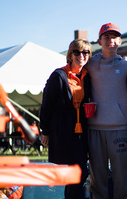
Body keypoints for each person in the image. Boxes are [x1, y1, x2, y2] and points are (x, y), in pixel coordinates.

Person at [84, 23, 127, 199]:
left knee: (121, 177)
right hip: (95, 128)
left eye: (114, 37)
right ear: (99, 41)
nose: (110, 41)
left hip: (119, 128)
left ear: (120, 41)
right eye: (106, 37)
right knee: (98, 178)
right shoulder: (90, 63)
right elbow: (72, 67)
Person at [40, 39, 92, 199]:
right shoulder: (59, 75)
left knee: (80, 173)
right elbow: (46, 105)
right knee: (69, 174)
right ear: (70, 55)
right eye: (77, 52)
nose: (81, 56)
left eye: (85, 52)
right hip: (63, 131)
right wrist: (45, 132)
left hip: (82, 133)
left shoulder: (88, 76)